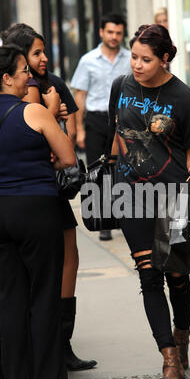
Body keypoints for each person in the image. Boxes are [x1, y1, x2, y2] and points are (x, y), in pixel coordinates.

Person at [108, 24, 190, 379]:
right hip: (130, 195)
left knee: (177, 275)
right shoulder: (122, 86)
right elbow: (117, 135)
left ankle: (181, 336)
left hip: (173, 198)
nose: (136, 64)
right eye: (134, 56)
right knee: (148, 273)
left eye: (145, 59)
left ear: (164, 58)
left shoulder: (185, 98)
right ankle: (168, 359)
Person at [0, 23, 97, 372]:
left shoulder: (53, 83)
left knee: (68, 257)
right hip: (27, 189)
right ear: (17, 60)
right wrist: (49, 112)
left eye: (43, 52)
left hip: (48, 186)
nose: (43, 59)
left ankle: (61, 342)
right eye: (36, 54)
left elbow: (67, 140)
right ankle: (7, 351)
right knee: (16, 270)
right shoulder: (9, 91)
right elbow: (38, 139)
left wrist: (57, 118)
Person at [0, 45, 77, 379]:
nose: (29, 76)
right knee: (43, 293)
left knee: (9, 295)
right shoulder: (35, 111)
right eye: (23, 70)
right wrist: (43, 159)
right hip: (35, 209)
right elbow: (68, 158)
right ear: (6, 78)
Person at [71, 13, 131, 241]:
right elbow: (80, 96)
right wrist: (80, 129)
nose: (114, 37)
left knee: (122, 169)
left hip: (123, 121)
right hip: (96, 120)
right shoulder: (88, 60)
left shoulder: (129, 59)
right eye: (110, 32)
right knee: (98, 170)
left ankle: (124, 217)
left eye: (118, 33)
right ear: (101, 33)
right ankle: (103, 221)